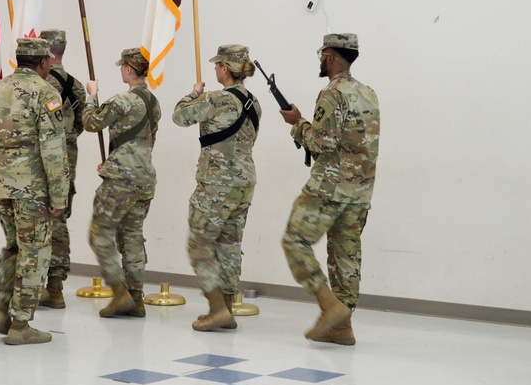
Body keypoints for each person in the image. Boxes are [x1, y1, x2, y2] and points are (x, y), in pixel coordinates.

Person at [279, 33, 380, 346]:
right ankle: (342, 327)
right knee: (345, 255)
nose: (320, 59)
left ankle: (330, 307)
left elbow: (322, 144)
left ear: (332, 57)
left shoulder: (332, 94)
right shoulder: (369, 93)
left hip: (329, 188)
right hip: (360, 191)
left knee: (294, 241)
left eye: (323, 53)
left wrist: (297, 123)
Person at [0, 38, 69, 346]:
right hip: (32, 190)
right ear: (42, 63)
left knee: (15, 246)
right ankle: (21, 325)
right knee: (34, 253)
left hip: (1, 187)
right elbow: (53, 150)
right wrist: (59, 196)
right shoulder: (46, 93)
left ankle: (2, 308)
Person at [172, 44, 261, 331]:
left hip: (216, 185)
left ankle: (216, 309)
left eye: (216, 65)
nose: (214, 69)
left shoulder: (216, 99)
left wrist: (194, 93)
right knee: (230, 246)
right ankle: (227, 309)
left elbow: (179, 116)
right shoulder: (254, 103)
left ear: (224, 68)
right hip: (244, 183)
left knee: (199, 245)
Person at [83, 48, 161, 318]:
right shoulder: (153, 102)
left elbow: (91, 123)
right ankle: (136, 298)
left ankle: (119, 294)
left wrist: (91, 95)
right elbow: (143, 142)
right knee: (132, 236)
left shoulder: (124, 100)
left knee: (100, 235)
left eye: (122, 67)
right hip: (144, 178)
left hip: (121, 180)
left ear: (129, 69)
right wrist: (115, 161)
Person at [38, 29, 86, 309]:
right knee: (60, 218)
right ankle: (55, 287)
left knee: (36, 222)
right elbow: (81, 124)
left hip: (41, 161)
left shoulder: (41, 87)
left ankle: (33, 286)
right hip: (68, 159)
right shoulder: (76, 86)